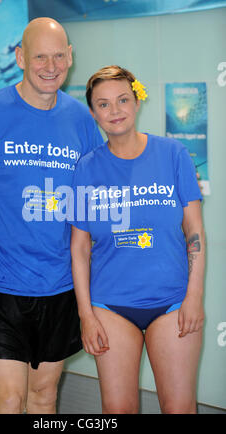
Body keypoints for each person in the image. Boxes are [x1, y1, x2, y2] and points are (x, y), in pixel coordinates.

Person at [0, 18, 103, 414]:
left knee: (44, 396)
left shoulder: (81, 121)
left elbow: (93, 205)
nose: (51, 66)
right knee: (9, 399)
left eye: (59, 56)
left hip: (60, 285)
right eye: (40, 56)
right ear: (20, 57)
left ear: (70, 57)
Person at [70, 65, 205, 414]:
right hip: (111, 307)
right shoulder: (86, 168)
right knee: (117, 410)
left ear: (136, 101)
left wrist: (194, 297)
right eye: (103, 104)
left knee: (179, 408)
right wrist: (86, 314)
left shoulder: (173, 154)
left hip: (173, 303)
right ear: (93, 113)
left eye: (122, 100)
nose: (114, 111)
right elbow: (80, 247)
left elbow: (194, 231)